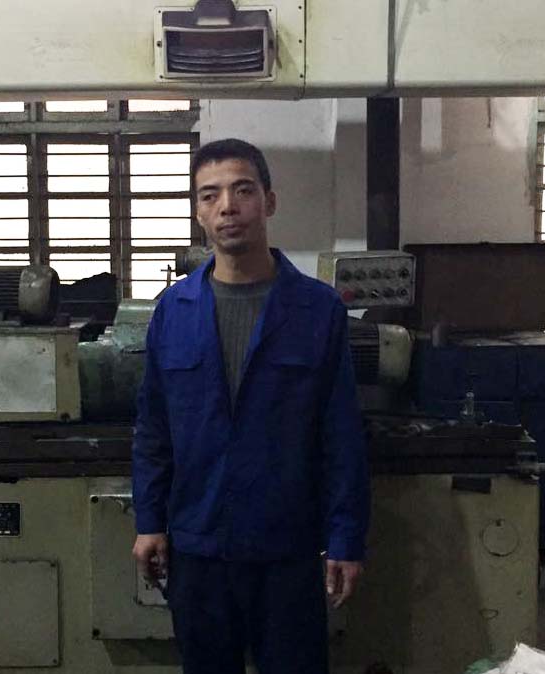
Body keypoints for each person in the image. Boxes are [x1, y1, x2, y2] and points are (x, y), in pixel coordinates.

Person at [132, 138, 369, 674]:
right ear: (198, 212)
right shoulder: (173, 311)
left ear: (269, 201)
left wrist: (345, 539)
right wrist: (149, 522)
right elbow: (153, 431)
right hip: (198, 549)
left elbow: (341, 437)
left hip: (286, 551)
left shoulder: (317, 310)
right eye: (210, 195)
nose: (227, 207)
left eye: (242, 191)